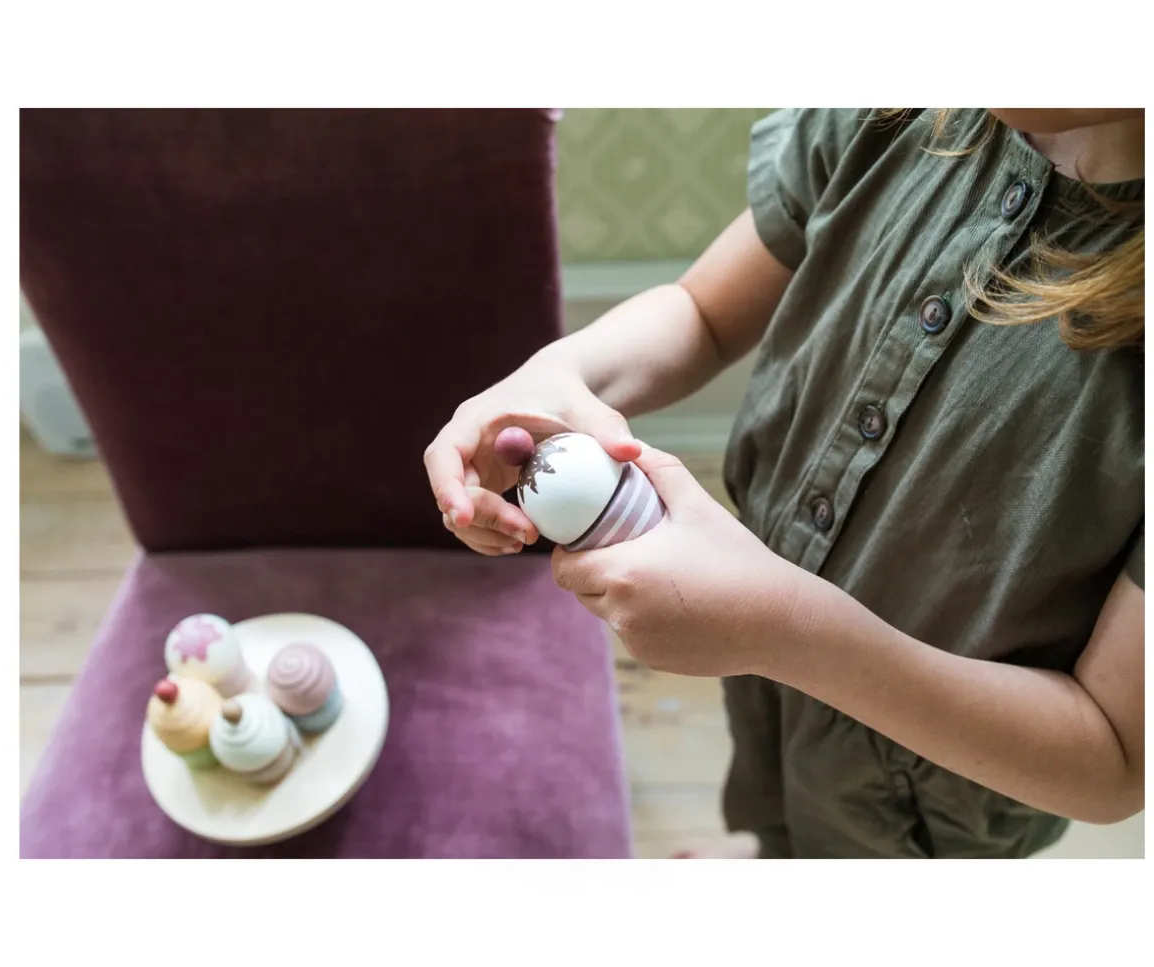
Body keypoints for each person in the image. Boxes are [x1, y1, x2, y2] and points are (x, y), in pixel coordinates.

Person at [423, 109, 1144, 858]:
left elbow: (1116, 755)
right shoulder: (894, 109)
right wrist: (562, 374)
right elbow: (701, 312)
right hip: (757, 663)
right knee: (776, 803)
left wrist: (778, 627)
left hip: (942, 781)